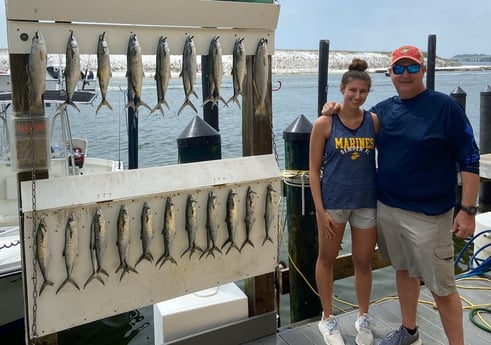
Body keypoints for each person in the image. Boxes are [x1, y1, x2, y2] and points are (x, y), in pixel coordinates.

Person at [322, 45, 480, 345]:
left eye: (411, 67)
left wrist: (467, 209)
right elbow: (354, 121)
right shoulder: (382, 110)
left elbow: (469, 158)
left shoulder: (445, 107)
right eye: (399, 68)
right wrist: (334, 108)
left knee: (442, 289)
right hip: (389, 209)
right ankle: (409, 332)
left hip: (430, 217)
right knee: (404, 271)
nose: (405, 74)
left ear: (422, 70)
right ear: (390, 73)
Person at [310, 58, 380, 345]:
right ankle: (327, 318)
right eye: (352, 90)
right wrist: (320, 211)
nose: (357, 96)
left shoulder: (373, 121)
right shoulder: (325, 123)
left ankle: (363, 317)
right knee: (326, 259)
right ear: (342, 89)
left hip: (366, 203)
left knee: (363, 262)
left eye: (363, 91)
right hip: (334, 204)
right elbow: (313, 170)